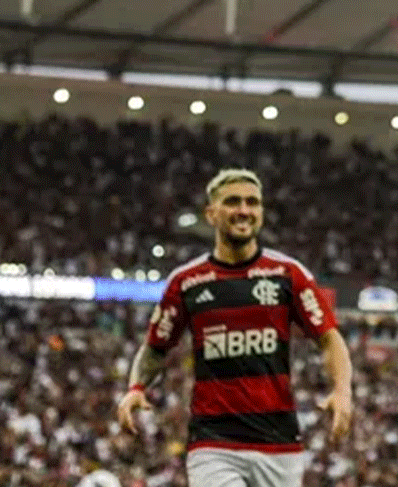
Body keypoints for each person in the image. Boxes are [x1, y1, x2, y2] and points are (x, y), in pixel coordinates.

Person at [117, 168, 353, 487]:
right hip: (213, 444)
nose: (244, 210)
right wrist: (136, 388)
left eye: (252, 202)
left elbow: (330, 340)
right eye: (232, 202)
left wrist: (342, 391)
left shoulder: (288, 274)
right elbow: (154, 349)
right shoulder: (186, 282)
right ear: (211, 214)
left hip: (279, 443)